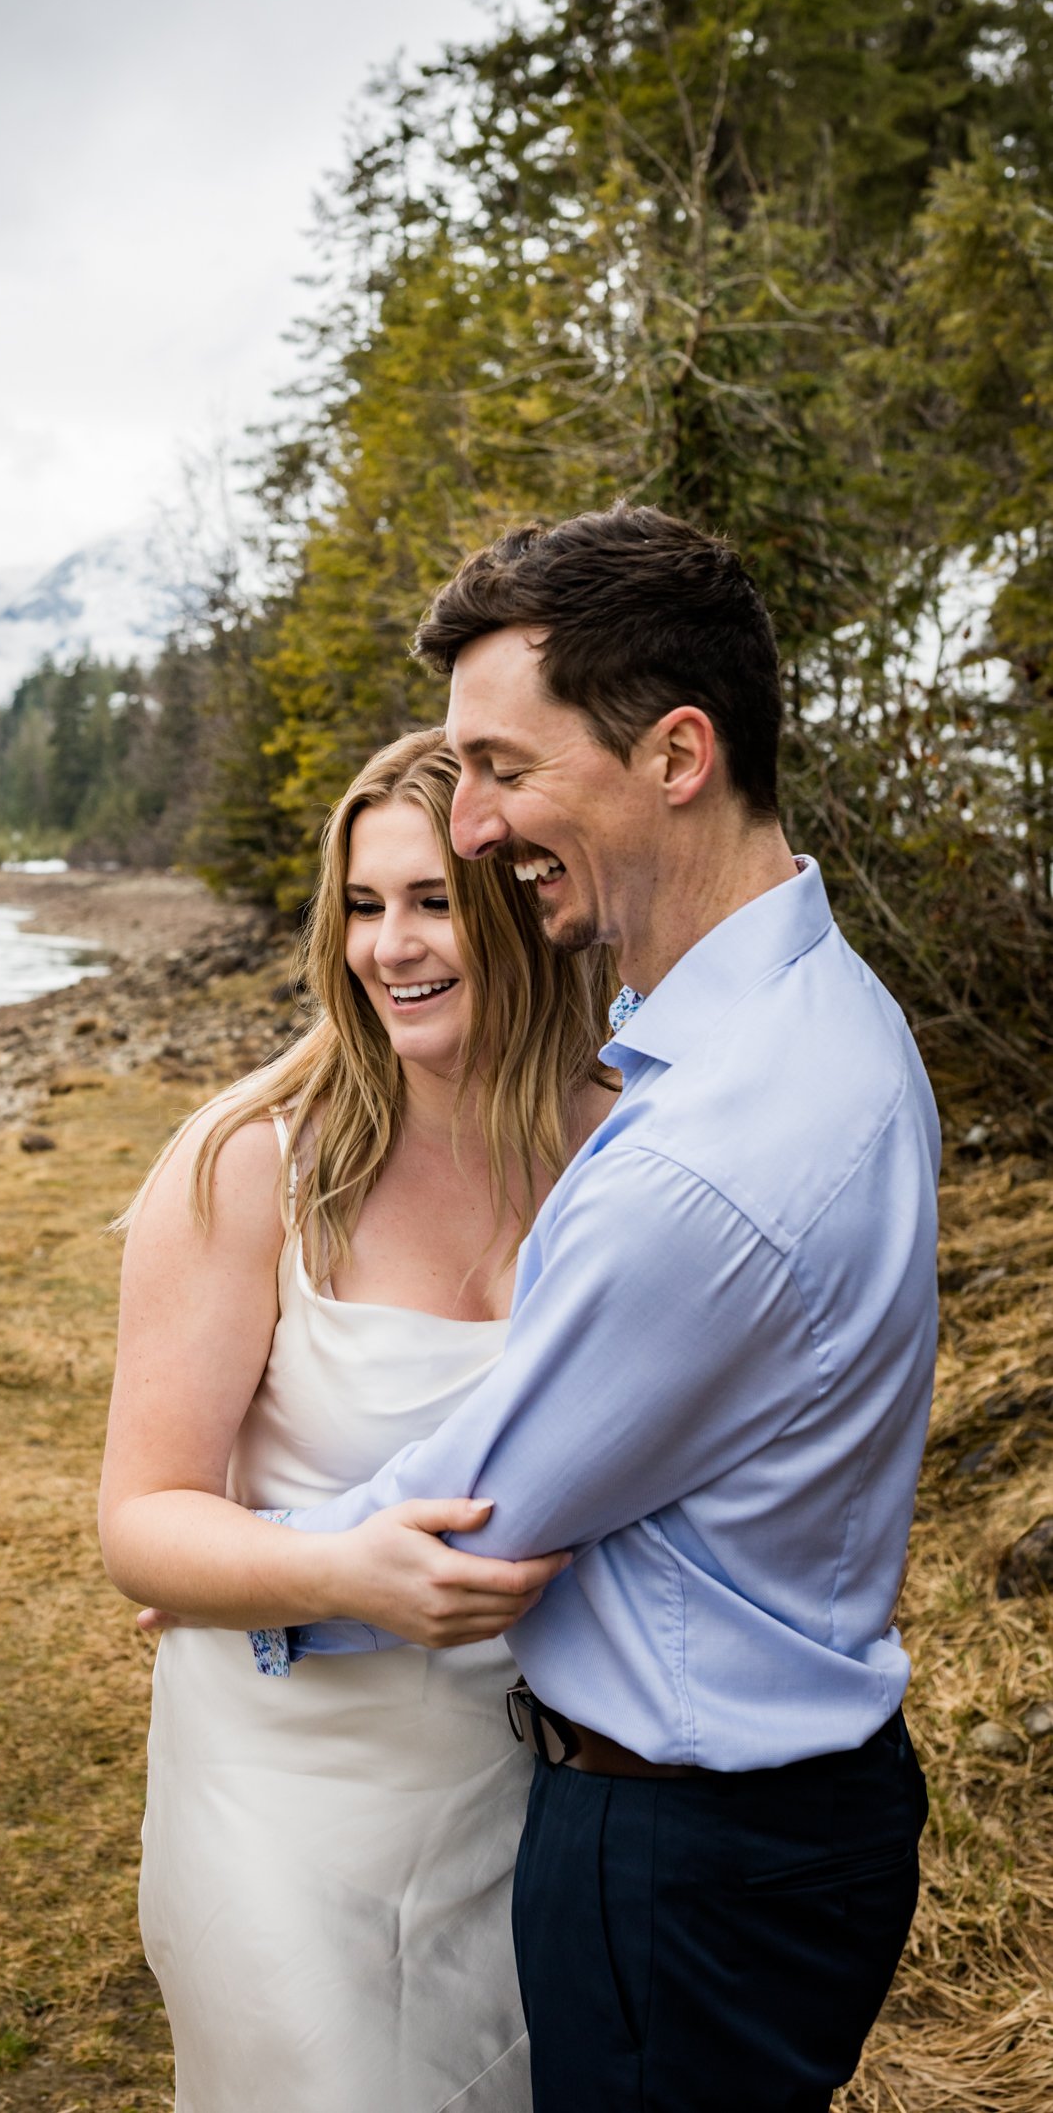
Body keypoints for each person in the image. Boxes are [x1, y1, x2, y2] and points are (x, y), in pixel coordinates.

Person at [250, 504, 940, 2113]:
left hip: (680, 1863)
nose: (473, 828)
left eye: (503, 765)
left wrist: (245, 1576)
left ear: (677, 753)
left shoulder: (710, 1158)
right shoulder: (824, 1012)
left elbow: (478, 1511)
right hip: (775, 1827)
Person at [99, 728, 616, 2113]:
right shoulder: (249, 1161)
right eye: (367, 905)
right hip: (283, 1792)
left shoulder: (625, 1147)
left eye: (436, 898)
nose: (393, 945)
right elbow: (142, 1522)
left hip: (530, 1787)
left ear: (520, 901)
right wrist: (339, 1572)